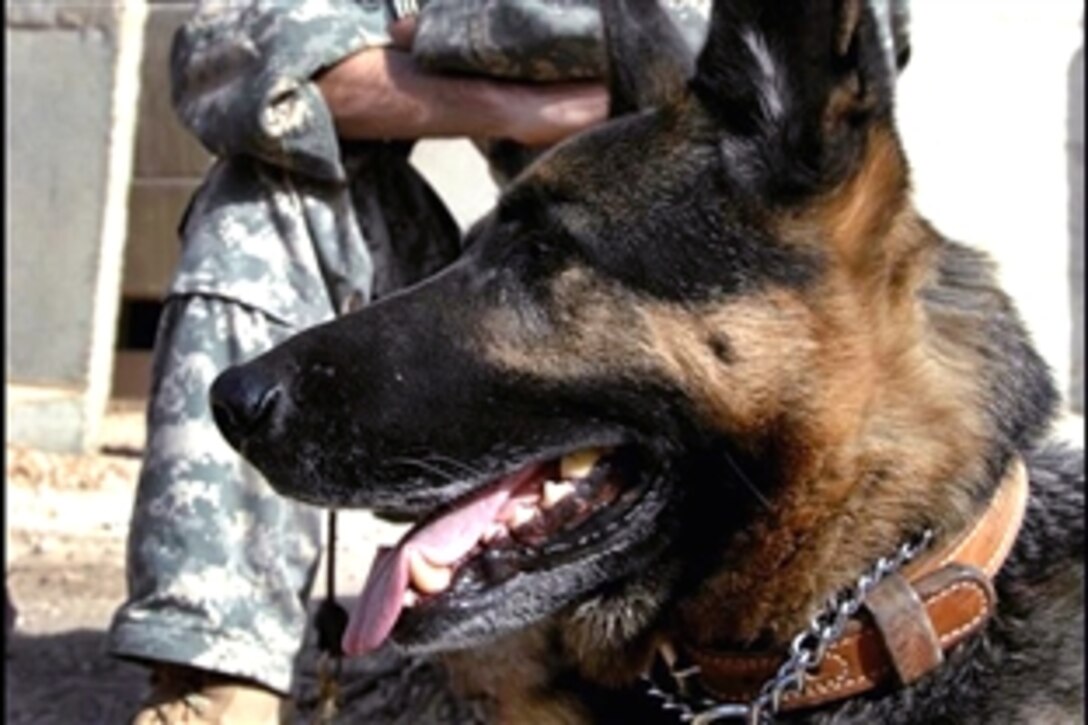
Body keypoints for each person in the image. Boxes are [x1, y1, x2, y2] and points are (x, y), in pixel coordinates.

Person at [108, 0, 907, 721]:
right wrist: (528, 104)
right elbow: (231, 56)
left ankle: (612, 649)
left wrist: (437, 33)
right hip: (500, 280)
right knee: (259, 194)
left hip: (644, 291)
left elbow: (815, 52)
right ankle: (218, 669)